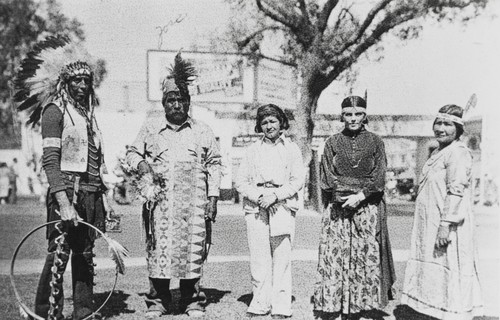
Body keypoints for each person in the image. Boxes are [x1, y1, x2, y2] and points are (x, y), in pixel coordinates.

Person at [14, 36, 113, 320]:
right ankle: (47, 312)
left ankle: (83, 309)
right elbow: (50, 161)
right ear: (64, 83)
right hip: (67, 193)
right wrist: (64, 201)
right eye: (76, 81)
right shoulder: (54, 112)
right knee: (59, 252)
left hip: (91, 193)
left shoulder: (89, 116)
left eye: (86, 81)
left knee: (85, 253)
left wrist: (104, 197)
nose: (82, 86)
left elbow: (96, 161)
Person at [126, 53, 221, 319]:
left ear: (189, 102)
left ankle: (192, 301)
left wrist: (213, 197)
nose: (177, 104)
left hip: (194, 204)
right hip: (161, 205)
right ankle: (158, 302)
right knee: (159, 252)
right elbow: (132, 153)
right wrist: (143, 166)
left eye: (181, 100)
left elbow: (214, 164)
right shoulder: (151, 127)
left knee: (192, 250)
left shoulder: (202, 130)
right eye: (171, 100)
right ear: (164, 103)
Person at [313, 96, 395, 320]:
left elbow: (379, 177)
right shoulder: (332, 142)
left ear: (365, 115)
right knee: (337, 255)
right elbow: (327, 177)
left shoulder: (376, 142)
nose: (353, 119)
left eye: (358, 114)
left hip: (366, 208)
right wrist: (342, 196)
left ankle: (359, 304)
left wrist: (360, 196)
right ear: (342, 116)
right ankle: (335, 303)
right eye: (348, 114)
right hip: (338, 209)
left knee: (361, 255)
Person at [401, 105, 483, 319]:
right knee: (432, 267)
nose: (441, 128)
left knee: (449, 266)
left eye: (447, 124)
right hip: (430, 223)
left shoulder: (458, 153)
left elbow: (455, 190)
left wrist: (445, 225)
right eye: (438, 123)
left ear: (458, 128)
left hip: (447, 224)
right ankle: (434, 311)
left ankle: (453, 313)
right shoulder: (438, 152)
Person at [235, 104, 305, 319]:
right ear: (259, 126)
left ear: (281, 122)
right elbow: (240, 181)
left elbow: (297, 180)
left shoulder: (291, 148)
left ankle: (281, 306)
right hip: (256, 206)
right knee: (259, 257)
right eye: (264, 122)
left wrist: (276, 196)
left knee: (282, 256)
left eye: (273, 121)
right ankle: (259, 303)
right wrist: (258, 197)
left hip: (282, 204)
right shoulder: (252, 150)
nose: (269, 126)